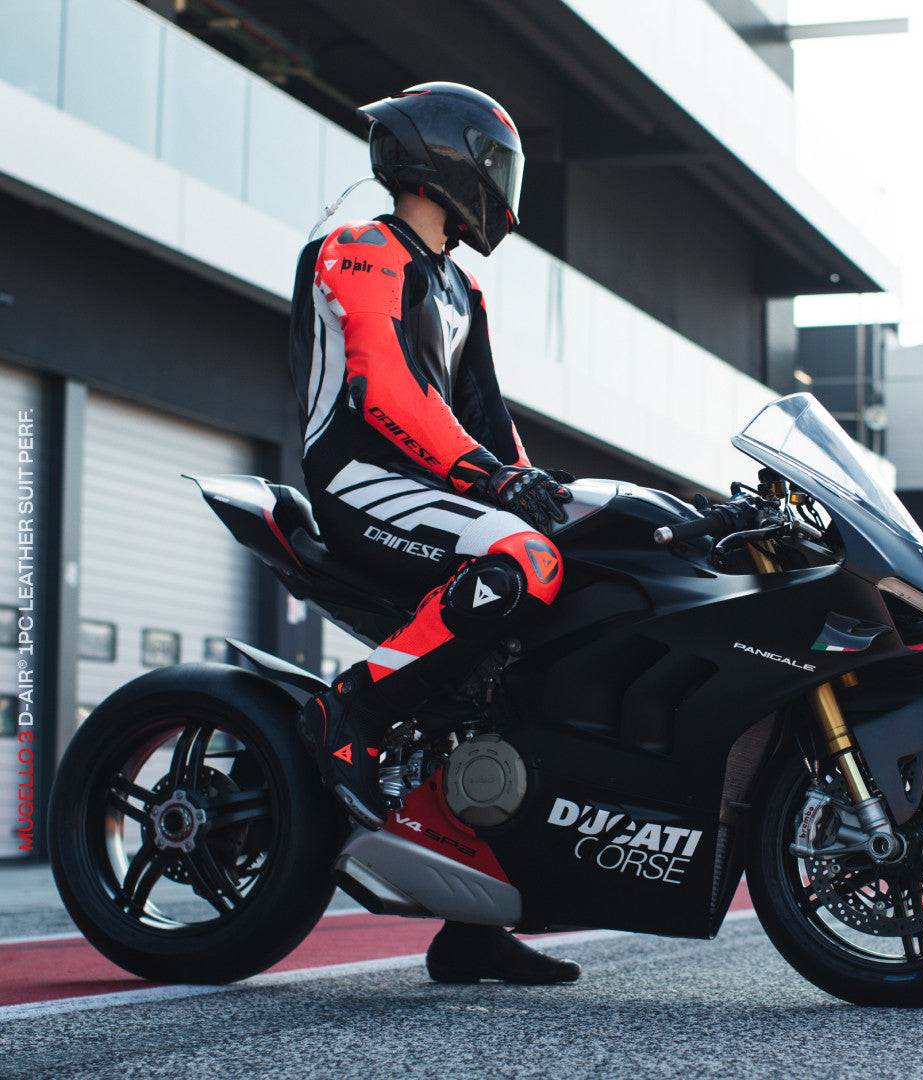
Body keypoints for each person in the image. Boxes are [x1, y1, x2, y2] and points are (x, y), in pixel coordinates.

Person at [288, 82, 579, 984]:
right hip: (362, 481)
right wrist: (491, 481)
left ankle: (472, 925)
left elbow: (487, 418)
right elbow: (384, 390)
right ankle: (352, 707)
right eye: (496, 166)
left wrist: (538, 487)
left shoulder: (462, 285)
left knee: (546, 626)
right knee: (522, 560)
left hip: (437, 490)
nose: (504, 189)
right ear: (446, 159)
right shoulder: (359, 249)